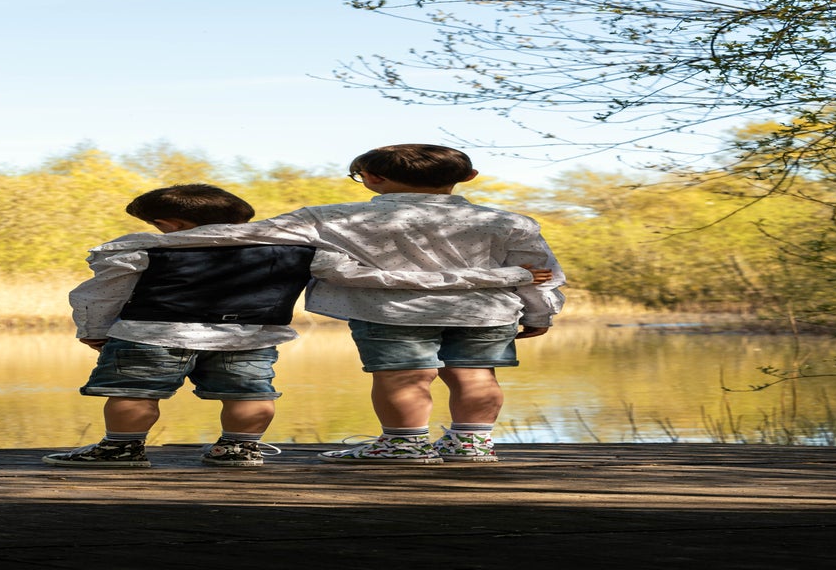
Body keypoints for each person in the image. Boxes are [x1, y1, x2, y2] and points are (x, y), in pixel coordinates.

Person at [91, 144, 566, 464]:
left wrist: (152, 242)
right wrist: (541, 311)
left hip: (390, 311)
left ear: (373, 179)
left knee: (403, 376)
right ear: (469, 178)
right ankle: (471, 445)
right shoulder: (509, 220)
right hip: (485, 311)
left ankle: (403, 445)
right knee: (476, 374)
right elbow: (539, 269)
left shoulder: (331, 217)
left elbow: (243, 235)